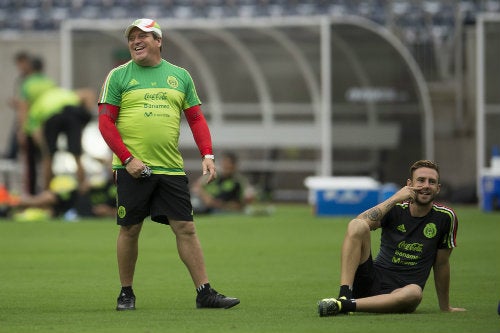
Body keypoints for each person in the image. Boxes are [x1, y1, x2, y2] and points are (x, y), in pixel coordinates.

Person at [97, 18, 240, 311]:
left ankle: (205, 293)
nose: (136, 41)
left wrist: (208, 154)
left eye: (143, 36)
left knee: (186, 227)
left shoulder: (180, 76)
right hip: (131, 168)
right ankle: (126, 293)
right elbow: (105, 122)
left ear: (158, 41)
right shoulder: (118, 76)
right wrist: (127, 159)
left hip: (171, 169)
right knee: (130, 229)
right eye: (132, 38)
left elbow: (197, 118)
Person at [317, 160, 466, 316]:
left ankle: (344, 306)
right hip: (370, 280)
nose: (426, 185)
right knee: (357, 225)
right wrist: (395, 198)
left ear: (438, 188)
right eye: (421, 180)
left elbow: (441, 264)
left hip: (402, 292)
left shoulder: (446, 217)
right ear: (409, 184)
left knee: (415, 293)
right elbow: (358, 223)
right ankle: (344, 296)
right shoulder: (395, 208)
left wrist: (445, 307)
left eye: (432, 182)